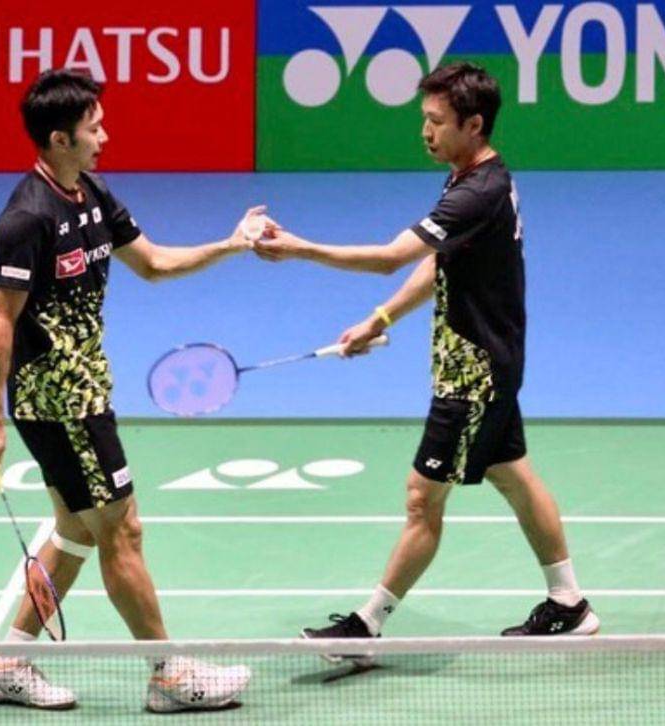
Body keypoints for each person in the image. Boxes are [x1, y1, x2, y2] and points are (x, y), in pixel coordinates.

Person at [255, 62, 599, 650]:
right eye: (424, 118)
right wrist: (381, 318)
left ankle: (367, 625)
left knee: (422, 498)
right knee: (513, 475)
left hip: (473, 372)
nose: (425, 131)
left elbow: (391, 257)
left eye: (437, 121)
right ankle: (569, 603)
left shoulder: (476, 193)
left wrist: (299, 249)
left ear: (474, 124)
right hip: (489, 360)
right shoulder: (475, 177)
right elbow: (440, 261)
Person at [0, 68, 254, 712]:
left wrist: (232, 244)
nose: (105, 136)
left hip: (89, 390)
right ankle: (168, 674)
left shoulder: (91, 193)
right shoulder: (25, 219)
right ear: (59, 139)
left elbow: (153, 262)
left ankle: (8, 662)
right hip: (58, 401)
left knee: (74, 531)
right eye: (93, 128)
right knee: (123, 529)